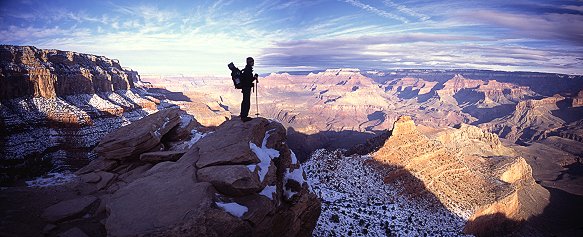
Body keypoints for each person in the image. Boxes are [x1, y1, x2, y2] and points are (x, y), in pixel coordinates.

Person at [240, 57, 258, 122]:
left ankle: (243, 114)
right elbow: (249, 80)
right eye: (252, 62)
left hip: (245, 87)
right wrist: (254, 77)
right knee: (247, 101)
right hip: (247, 88)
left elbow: (247, 79)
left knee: (245, 100)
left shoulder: (247, 69)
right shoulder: (248, 70)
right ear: (250, 62)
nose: (253, 63)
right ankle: (244, 117)